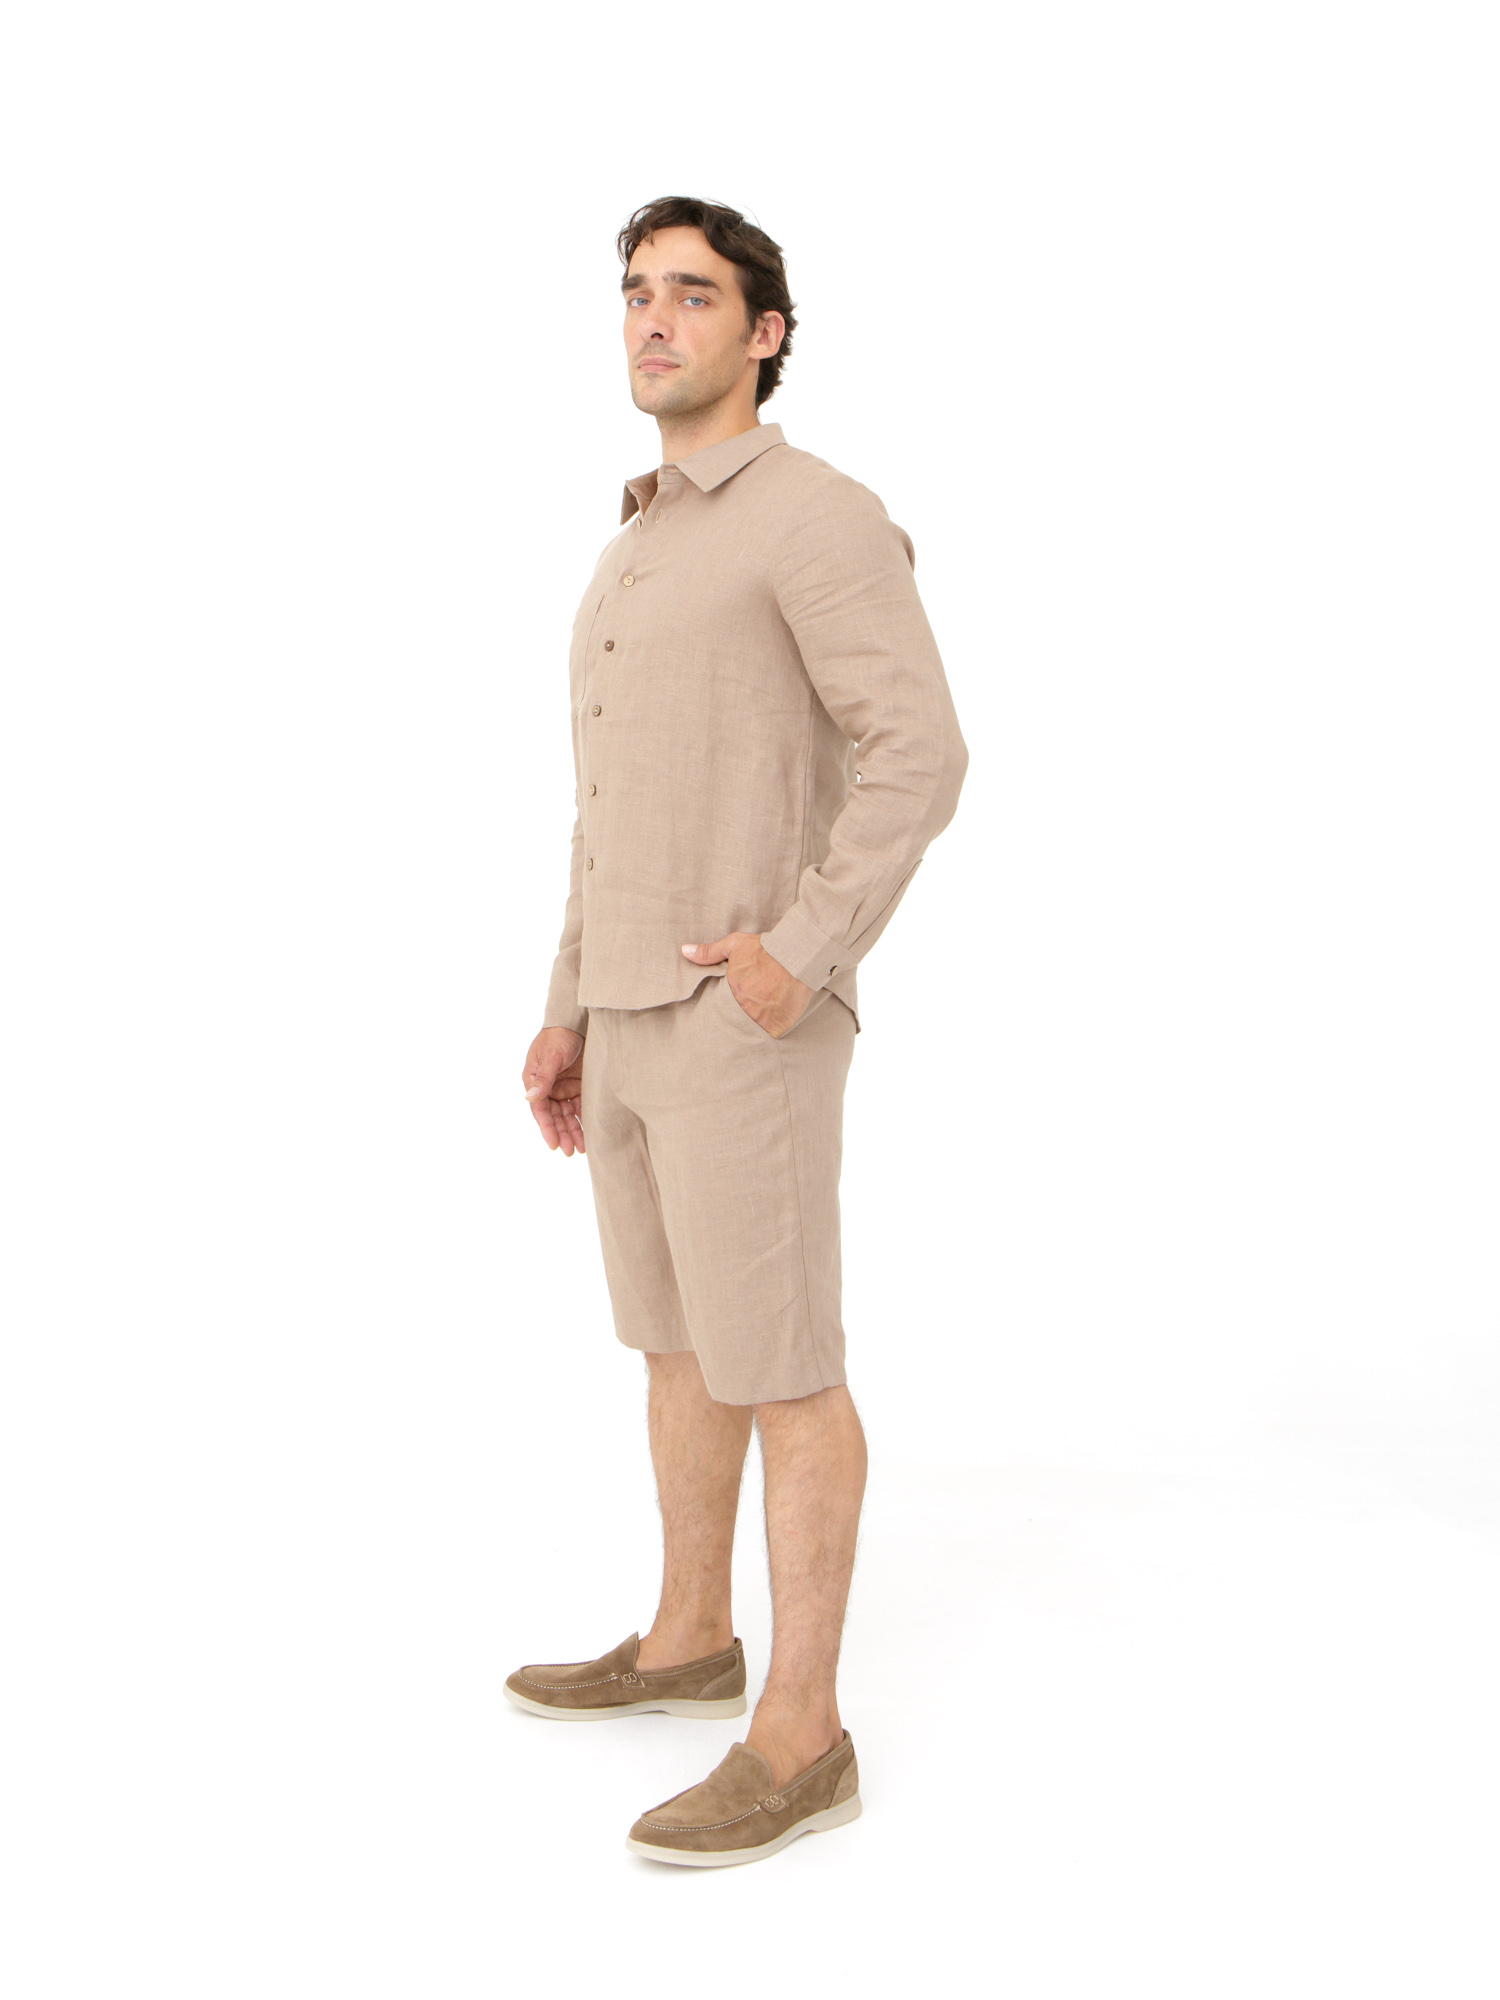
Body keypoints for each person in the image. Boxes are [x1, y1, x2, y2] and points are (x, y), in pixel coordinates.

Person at [508, 195, 967, 1867]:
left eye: (693, 295)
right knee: (678, 1347)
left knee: (785, 1368)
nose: (654, 320)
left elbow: (921, 754)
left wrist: (801, 953)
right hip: (629, 1018)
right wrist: (567, 1006)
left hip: (742, 1019)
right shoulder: (632, 543)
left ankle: (804, 1733)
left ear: (765, 334)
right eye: (637, 293)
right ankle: (690, 1637)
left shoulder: (815, 516)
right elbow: (609, 803)